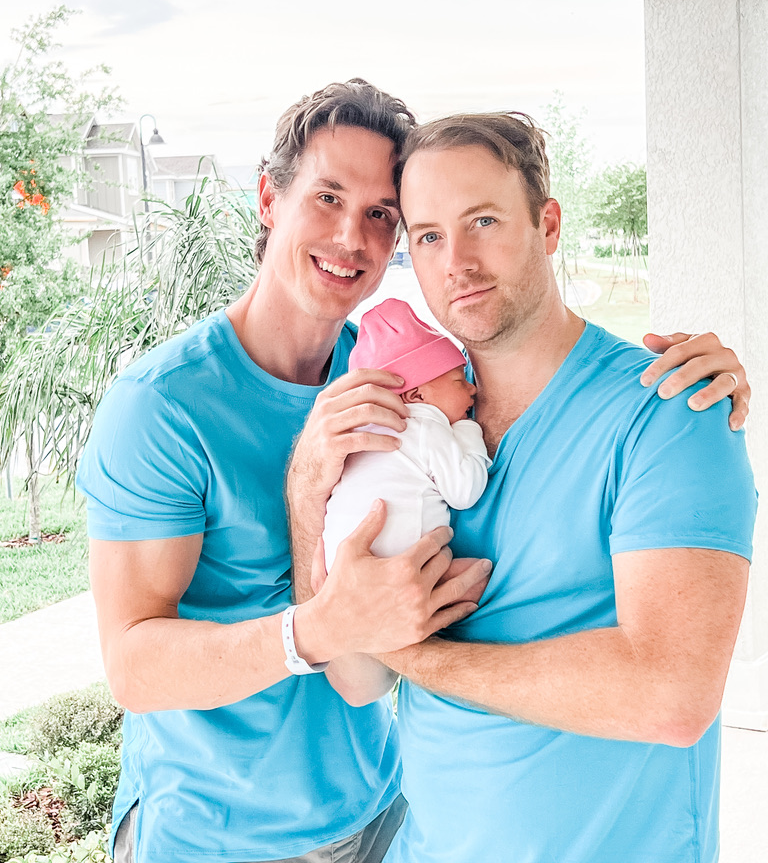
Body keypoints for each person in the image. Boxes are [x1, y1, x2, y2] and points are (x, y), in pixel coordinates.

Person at [79, 79, 750, 863]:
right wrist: (312, 553)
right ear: (269, 198)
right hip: (217, 836)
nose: (353, 239)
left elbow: (669, 693)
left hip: (379, 820)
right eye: (329, 197)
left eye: (382, 218)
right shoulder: (166, 406)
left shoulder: (415, 390)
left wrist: (703, 387)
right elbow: (140, 668)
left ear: (548, 223)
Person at [287, 111, 757, 863]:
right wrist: (309, 486)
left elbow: (671, 698)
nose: (456, 262)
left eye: (483, 221)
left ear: (546, 224)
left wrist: (416, 654)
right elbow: (355, 677)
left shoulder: (671, 415)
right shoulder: (412, 426)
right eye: (430, 236)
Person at [323, 298, 490, 568]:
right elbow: (464, 492)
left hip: (341, 569)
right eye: (460, 380)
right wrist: (469, 430)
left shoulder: (360, 436)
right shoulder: (422, 426)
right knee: (479, 574)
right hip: (398, 570)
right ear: (417, 395)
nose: (473, 389)